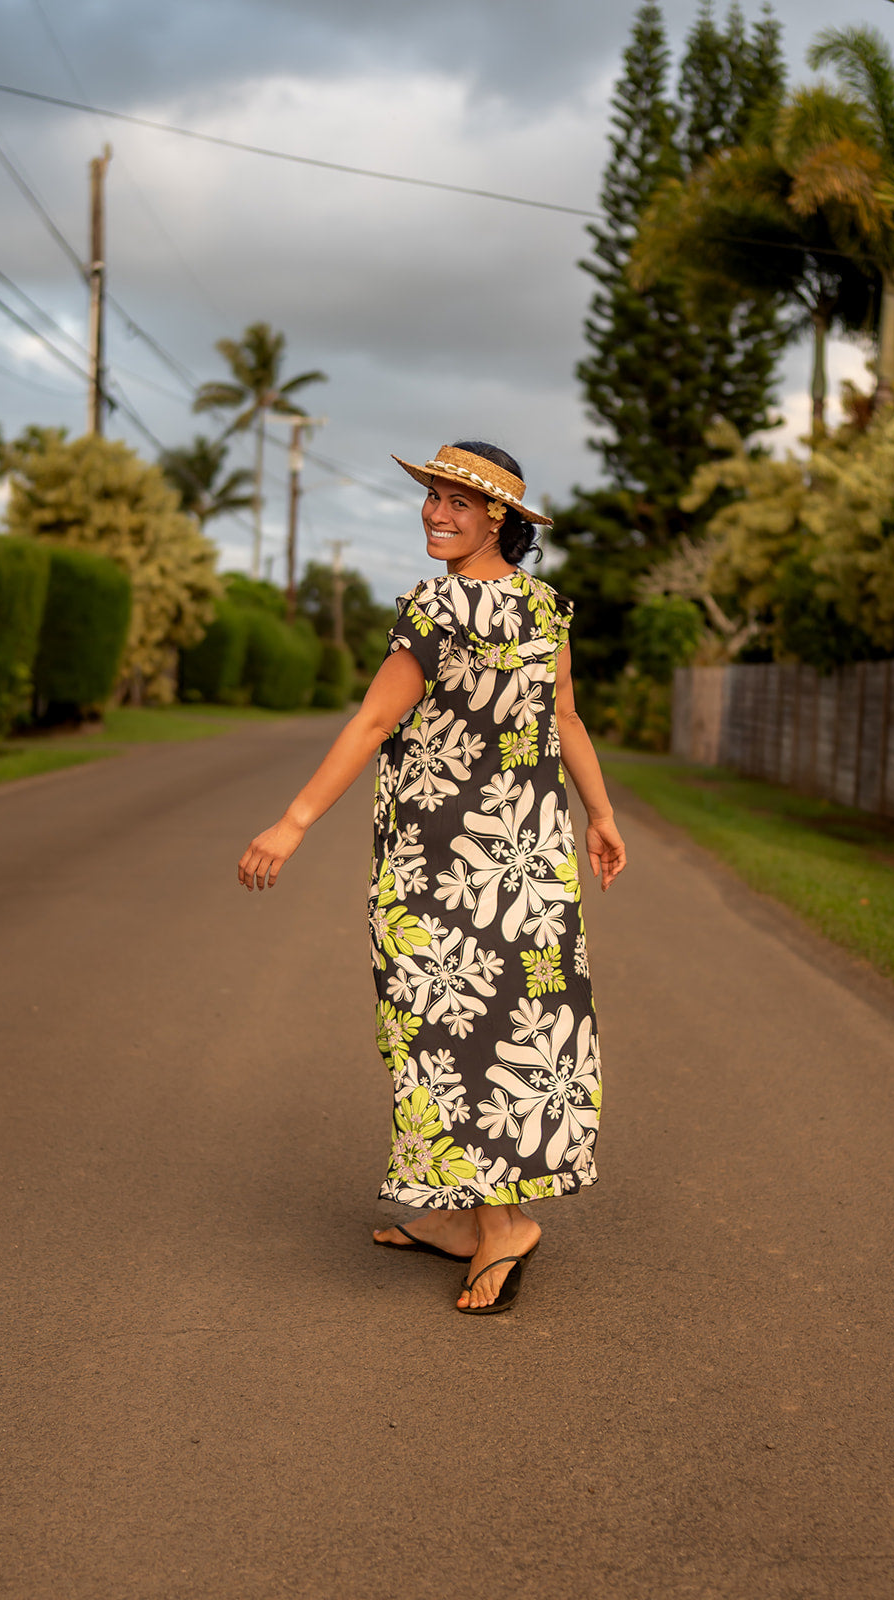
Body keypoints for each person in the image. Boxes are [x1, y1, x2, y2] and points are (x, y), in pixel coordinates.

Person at [238, 441, 626, 1313]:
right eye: (433, 497)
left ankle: (504, 1227)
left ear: (501, 520)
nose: (436, 514)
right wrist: (594, 816)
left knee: (449, 1033)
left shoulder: (438, 605)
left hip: (446, 867)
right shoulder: (546, 607)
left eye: (458, 502)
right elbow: (563, 714)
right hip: (525, 860)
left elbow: (379, 720)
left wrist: (291, 823)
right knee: (487, 1027)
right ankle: (455, 1219)